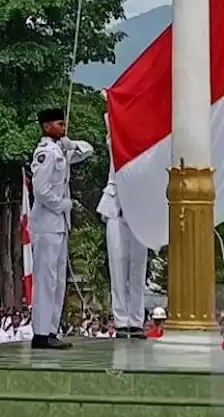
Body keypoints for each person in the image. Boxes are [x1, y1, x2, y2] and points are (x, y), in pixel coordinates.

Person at [29, 106, 93, 350]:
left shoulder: (60, 150)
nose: (63, 127)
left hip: (58, 225)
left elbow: (88, 150)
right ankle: (41, 333)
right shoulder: (45, 153)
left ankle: (51, 330)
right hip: (46, 222)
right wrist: (64, 204)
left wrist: (69, 142)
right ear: (47, 127)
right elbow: (41, 191)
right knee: (46, 280)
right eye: (59, 124)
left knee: (57, 281)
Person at [97, 132, 148, 339]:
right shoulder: (117, 143)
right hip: (116, 210)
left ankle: (136, 322)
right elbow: (112, 130)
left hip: (139, 211)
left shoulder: (149, 151)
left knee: (137, 271)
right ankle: (121, 321)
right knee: (117, 268)